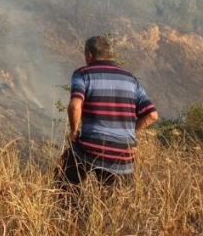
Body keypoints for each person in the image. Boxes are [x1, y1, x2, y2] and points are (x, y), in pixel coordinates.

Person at [57, 35, 159, 191]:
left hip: (90, 146)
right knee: (111, 201)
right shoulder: (130, 79)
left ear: (89, 55)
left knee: (63, 180)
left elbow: (75, 105)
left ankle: (73, 212)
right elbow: (152, 115)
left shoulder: (83, 73)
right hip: (123, 153)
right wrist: (129, 133)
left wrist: (73, 132)